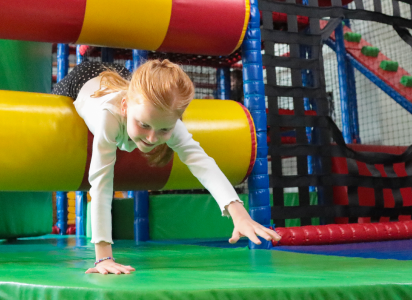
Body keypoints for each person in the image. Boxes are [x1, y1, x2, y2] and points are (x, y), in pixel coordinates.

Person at [52, 60, 281, 275]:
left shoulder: (159, 115)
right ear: (125, 106)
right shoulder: (109, 116)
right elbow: (101, 182)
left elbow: (201, 162)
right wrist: (103, 257)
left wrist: (239, 214)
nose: (152, 138)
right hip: (83, 80)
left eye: (164, 130)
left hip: (123, 80)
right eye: (143, 125)